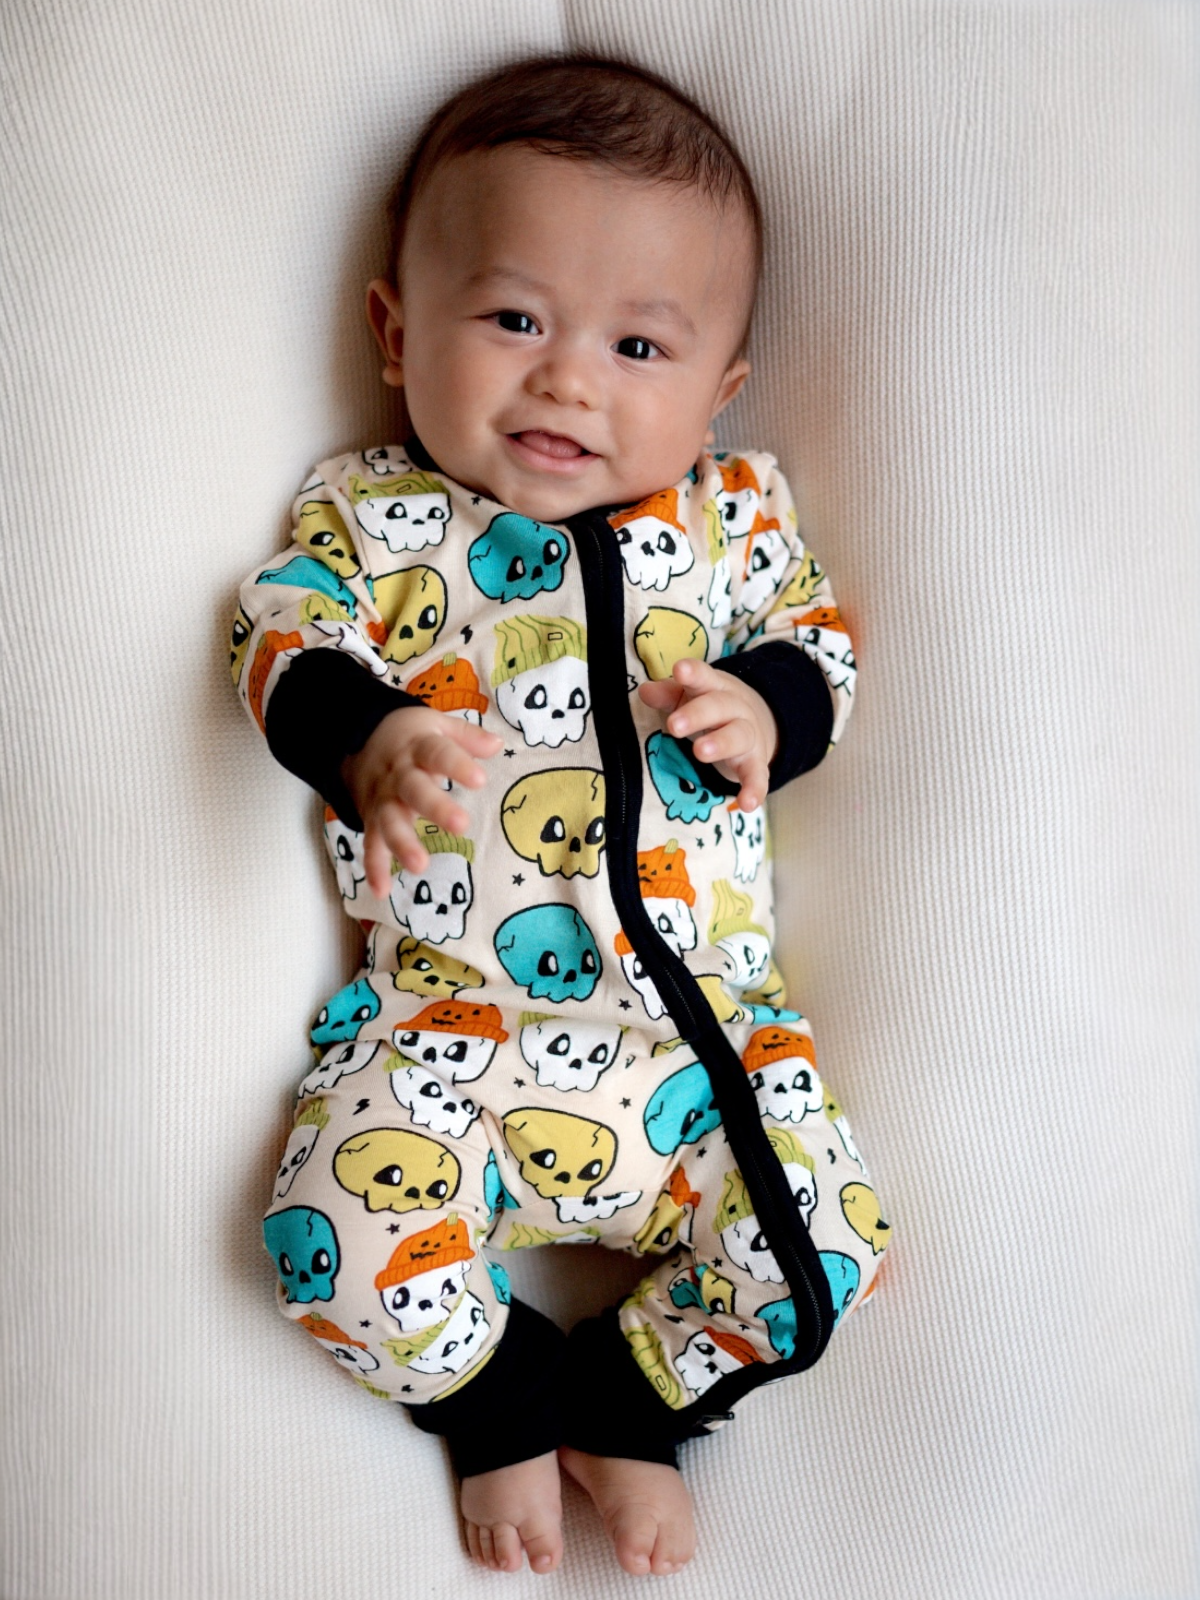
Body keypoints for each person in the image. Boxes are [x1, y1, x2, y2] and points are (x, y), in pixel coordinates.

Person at [231, 53, 889, 1579]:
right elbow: (281, 633)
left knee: (827, 1250)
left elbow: (820, 634)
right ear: (398, 335)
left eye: (640, 344)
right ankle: (504, 1394)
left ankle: (628, 1400)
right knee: (331, 1243)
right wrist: (369, 736)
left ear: (718, 392)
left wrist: (773, 707)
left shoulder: (729, 518)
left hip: (706, 1036)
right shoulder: (378, 516)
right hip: (447, 1029)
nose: (569, 379)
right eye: (514, 319)